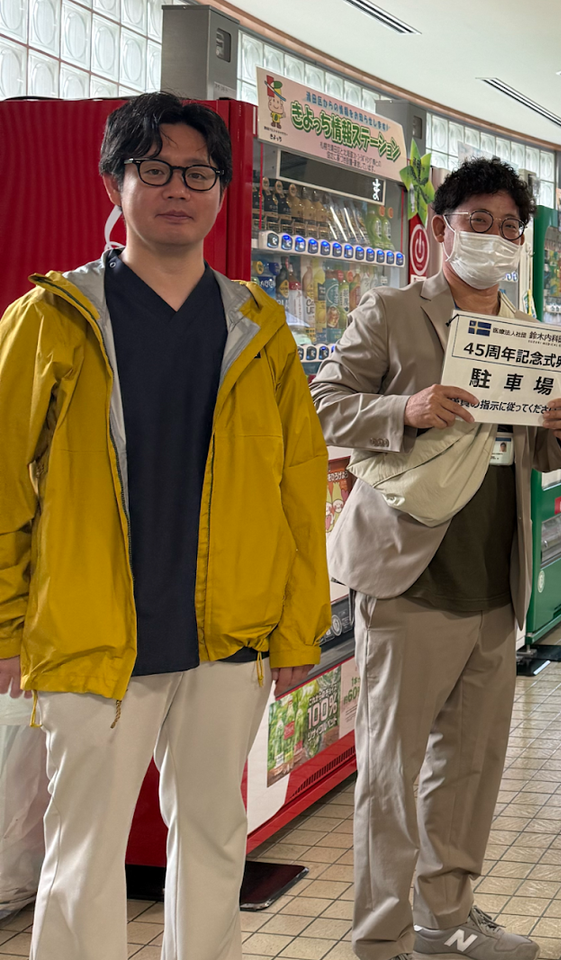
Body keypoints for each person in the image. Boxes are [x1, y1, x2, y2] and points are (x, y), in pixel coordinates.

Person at [0, 92, 329, 960]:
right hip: (93, 636)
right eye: (153, 169)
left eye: (197, 172)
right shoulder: (52, 319)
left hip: (229, 638)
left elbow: (299, 491)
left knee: (217, 840)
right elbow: (1, 489)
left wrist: (298, 627)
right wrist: (5, 629)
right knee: (82, 856)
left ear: (221, 190)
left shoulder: (258, 326)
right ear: (114, 181)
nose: (176, 188)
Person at [311, 157, 561, 960]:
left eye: (509, 227)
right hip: (409, 577)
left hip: (495, 580)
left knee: (469, 769)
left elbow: (533, 452)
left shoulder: (528, 334)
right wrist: (408, 407)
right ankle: (380, 938)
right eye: (478, 222)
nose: (494, 238)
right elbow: (322, 404)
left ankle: (446, 919)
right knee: (390, 774)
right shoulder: (393, 311)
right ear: (441, 229)